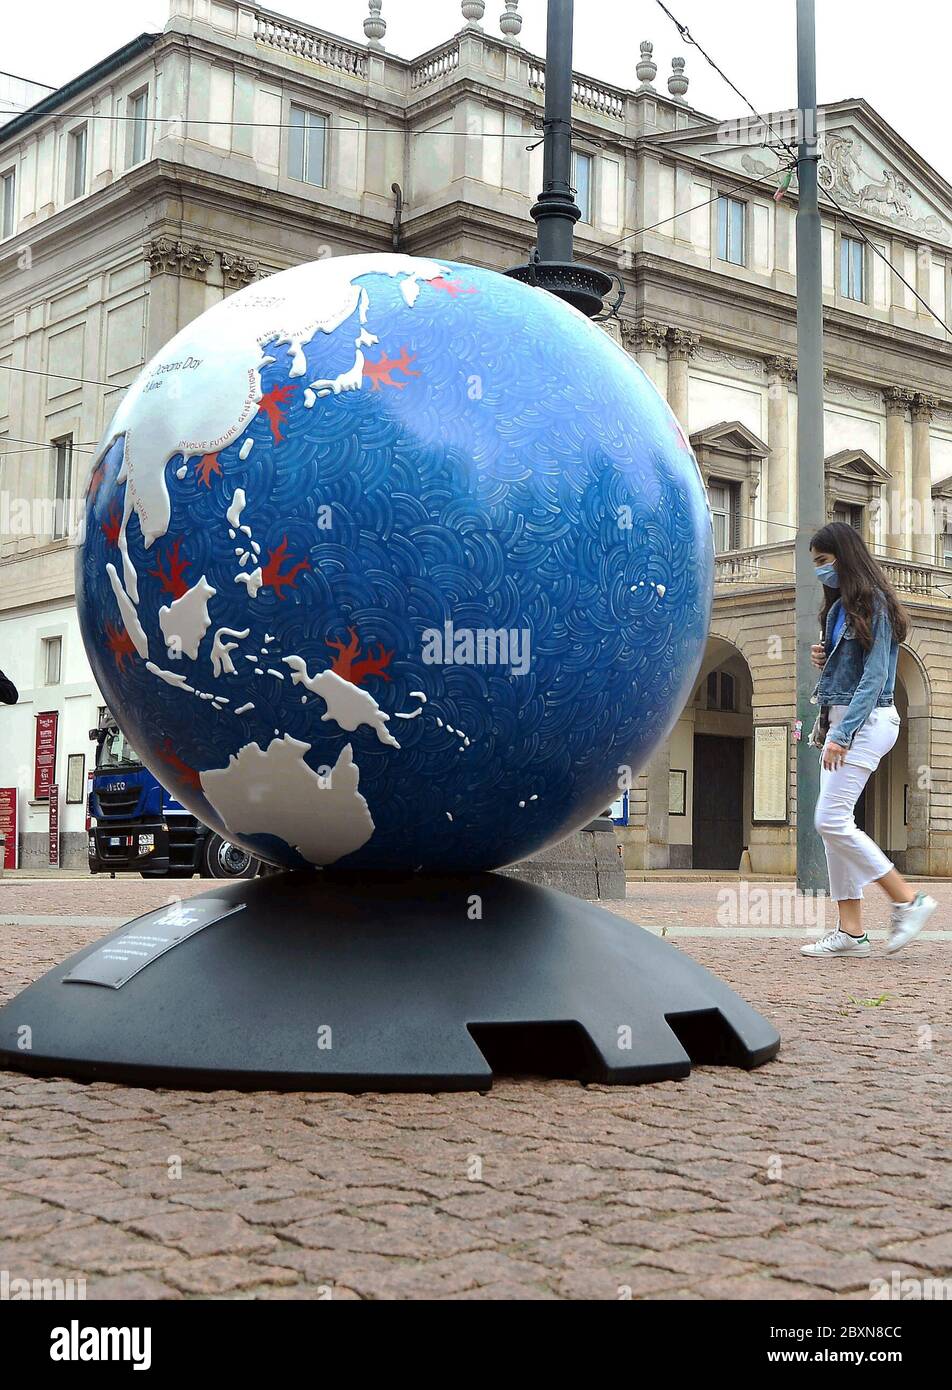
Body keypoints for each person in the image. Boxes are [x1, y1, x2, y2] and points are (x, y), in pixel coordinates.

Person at [801, 522, 936, 958]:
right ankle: (851, 932)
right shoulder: (838, 607)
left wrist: (841, 735)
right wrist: (824, 656)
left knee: (830, 820)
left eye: (824, 561)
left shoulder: (874, 602)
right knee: (834, 829)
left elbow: (877, 675)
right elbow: (847, 671)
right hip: (839, 723)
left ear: (845, 556)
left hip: (867, 722)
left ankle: (907, 899)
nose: (820, 571)